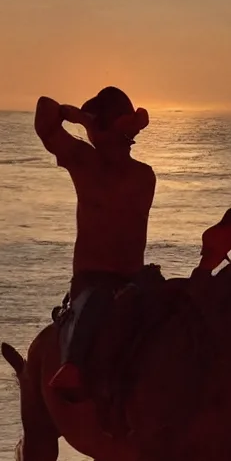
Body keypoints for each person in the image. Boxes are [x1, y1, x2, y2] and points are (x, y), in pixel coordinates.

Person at [34, 86, 155, 399]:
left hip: (132, 280)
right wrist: (83, 119)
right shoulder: (84, 161)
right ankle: (72, 367)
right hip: (92, 281)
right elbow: (44, 112)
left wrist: (87, 123)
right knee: (97, 303)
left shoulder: (141, 175)